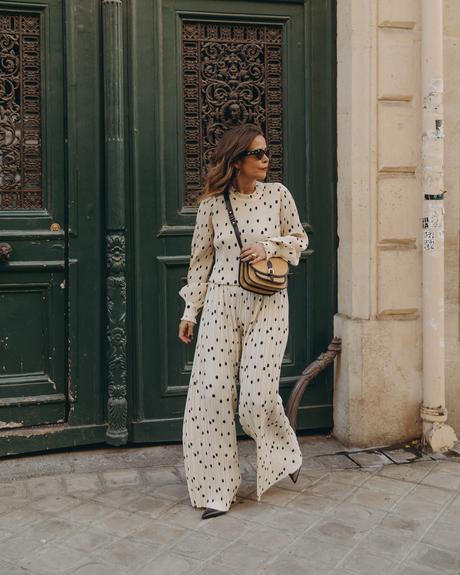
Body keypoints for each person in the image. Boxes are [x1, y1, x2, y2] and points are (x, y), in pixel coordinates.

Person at [178, 123, 309, 519]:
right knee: (212, 396)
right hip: (220, 304)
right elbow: (200, 262)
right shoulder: (212, 206)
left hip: (268, 304)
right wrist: (190, 312)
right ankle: (218, 490)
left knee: (254, 398)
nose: (267, 159)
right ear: (237, 161)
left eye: (267, 153)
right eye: (258, 154)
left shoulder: (278, 196)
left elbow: (299, 240)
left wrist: (268, 245)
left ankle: (283, 451)